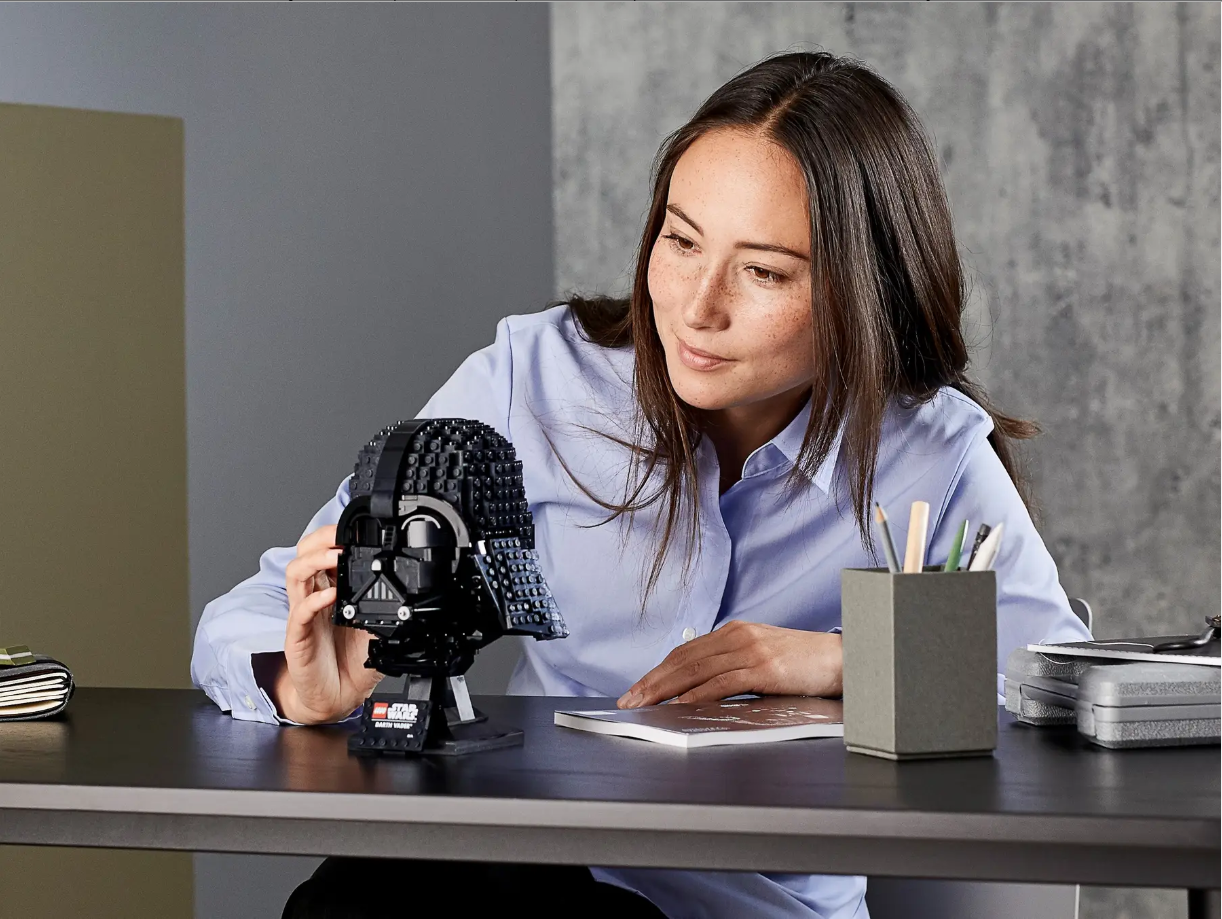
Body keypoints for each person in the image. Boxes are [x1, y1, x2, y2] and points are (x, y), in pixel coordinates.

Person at [192, 50, 1091, 919]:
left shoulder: (929, 455)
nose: (698, 308)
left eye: (765, 272)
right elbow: (268, 601)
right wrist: (299, 684)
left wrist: (854, 665)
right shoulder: (534, 381)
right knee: (366, 890)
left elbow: (1062, 696)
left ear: (868, 288)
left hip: (747, 902)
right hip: (527, 864)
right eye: (681, 240)